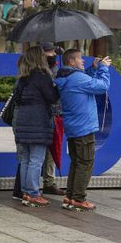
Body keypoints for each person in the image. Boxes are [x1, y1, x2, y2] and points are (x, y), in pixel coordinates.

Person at [54, 49, 111, 211]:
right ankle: (78, 198)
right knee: (86, 163)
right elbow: (102, 86)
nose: (83, 61)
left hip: (73, 127)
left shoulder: (65, 77)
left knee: (77, 162)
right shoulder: (77, 78)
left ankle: (70, 196)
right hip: (84, 127)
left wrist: (93, 69)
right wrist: (103, 68)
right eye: (80, 59)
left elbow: (83, 81)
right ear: (71, 62)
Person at [12, 46, 60, 207]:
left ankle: (26, 192)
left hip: (23, 120)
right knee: (36, 160)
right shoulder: (43, 76)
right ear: (39, 58)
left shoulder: (23, 77)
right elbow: (52, 98)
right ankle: (33, 193)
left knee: (25, 158)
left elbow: (17, 99)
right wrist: (56, 88)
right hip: (38, 121)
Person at [40, 42, 65, 195]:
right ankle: (29, 186)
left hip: (55, 115)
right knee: (35, 153)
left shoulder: (57, 70)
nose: (53, 54)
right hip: (41, 115)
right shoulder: (36, 71)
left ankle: (49, 182)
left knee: (52, 151)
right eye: (49, 52)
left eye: (53, 52)